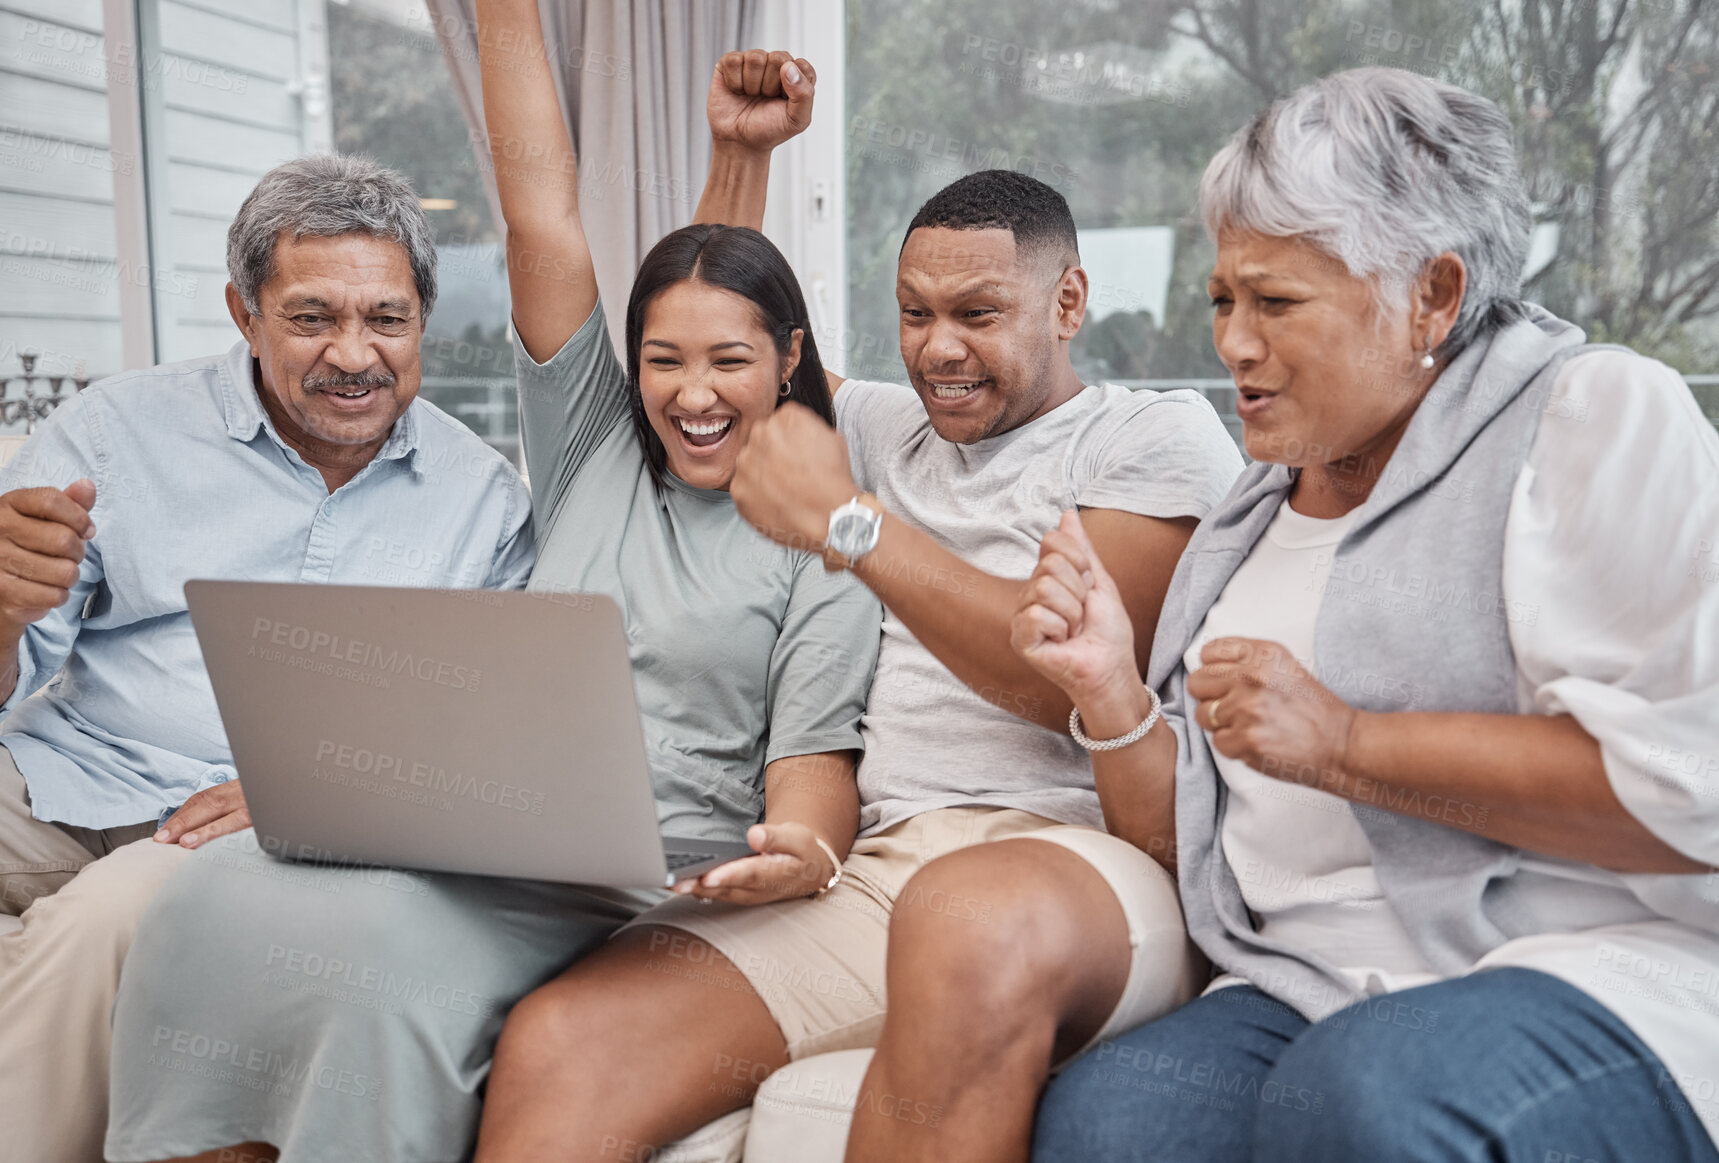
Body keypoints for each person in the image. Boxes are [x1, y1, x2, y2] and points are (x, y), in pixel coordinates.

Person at [102, 15, 881, 1163]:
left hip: (630, 877)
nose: (693, 393)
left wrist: (802, 853)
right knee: (200, 905)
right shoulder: (597, 452)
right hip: (461, 827)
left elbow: (813, 772)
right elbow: (540, 218)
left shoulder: (833, 541)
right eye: (662, 361)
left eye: (730, 363)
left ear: (790, 359)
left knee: (374, 969)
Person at [471, 65, 1244, 1163]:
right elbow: (719, 341)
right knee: (563, 1039)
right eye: (915, 314)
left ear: (1069, 303)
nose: (938, 349)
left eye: (979, 314)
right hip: (886, 868)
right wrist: (743, 157)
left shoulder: (1147, 439)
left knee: (964, 914)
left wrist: (855, 522)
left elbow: (1056, 674)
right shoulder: (882, 427)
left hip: (1075, 857)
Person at [1004, 68, 1719, 1163]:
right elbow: (1196, 845)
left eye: (1276, 302)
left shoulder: (1592, 417)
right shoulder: (1247, 516)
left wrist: (1351, 744)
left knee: (1370, 1090)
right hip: (1308, 982)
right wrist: (1107, 688)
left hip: (1598, 966)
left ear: (1433, 293)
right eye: (1221, 299)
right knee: (1111, 1124)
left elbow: (1682, 794)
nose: (1232, 344)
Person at [0, 153, 536, 1163]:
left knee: (99, 926)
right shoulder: (116, 430)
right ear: (246, 315)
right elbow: (13, 663)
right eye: (311, 316)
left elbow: (486, 736)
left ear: (427, 319)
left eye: (386, 318)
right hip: (58, 765)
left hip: (231, 824)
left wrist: (315, 786)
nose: (354, 354)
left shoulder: (484, 503)